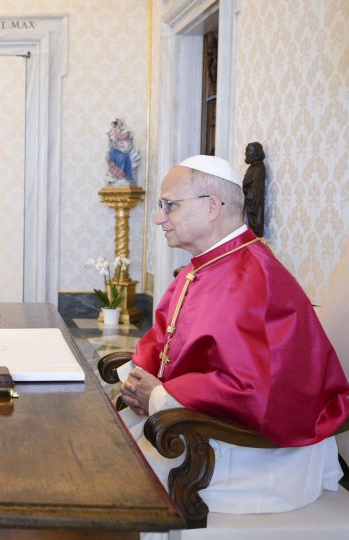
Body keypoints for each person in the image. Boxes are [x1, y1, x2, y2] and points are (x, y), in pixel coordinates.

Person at [117, 154, 349, 515]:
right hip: (196, 422)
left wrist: (160, 395)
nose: (159, 217)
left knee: (114, 481)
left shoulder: (253, 277)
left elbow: (255, 391)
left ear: (211, 207)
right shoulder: (205, 266)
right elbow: (165, 337)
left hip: (257, 457)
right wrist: (138, 381)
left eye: (169, 206)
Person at [242, 141, 266, 237]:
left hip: (253, 209)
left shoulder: (259, 168)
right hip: (248, 205)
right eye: (246, 151)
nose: (246, 153)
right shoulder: (251, 167)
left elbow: (254, 191)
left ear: (257, 153)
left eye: (249, 151)